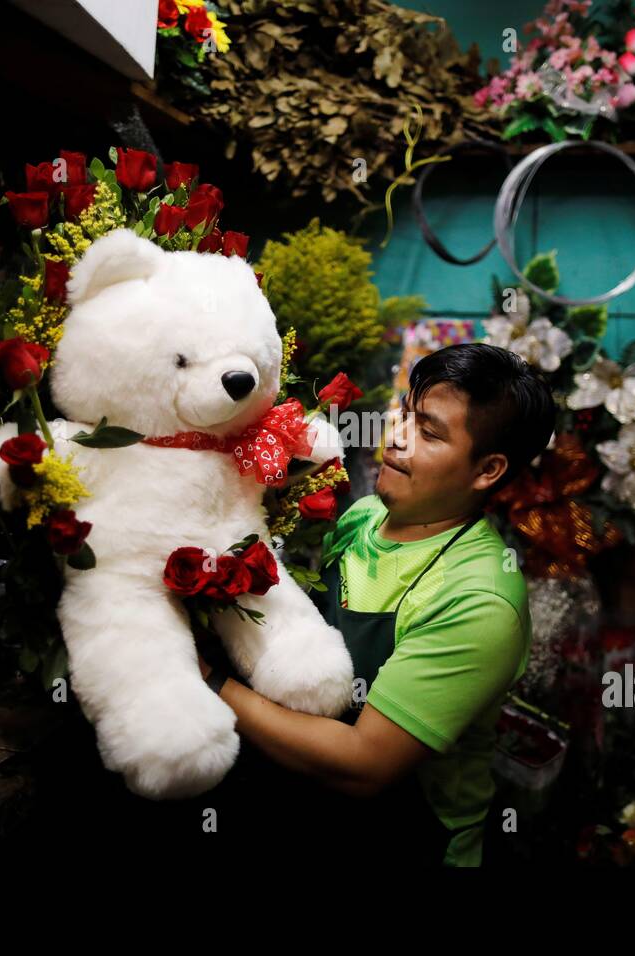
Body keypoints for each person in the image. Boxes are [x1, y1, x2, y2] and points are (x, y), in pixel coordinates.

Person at [195, 342, 557, 866]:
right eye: (406, 414)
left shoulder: (478, 599)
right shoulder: (363, 517)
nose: (398, 439)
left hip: (405, 841)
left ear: (488, 469)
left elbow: (364, 763)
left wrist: (208, 684)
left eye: (430, 432)